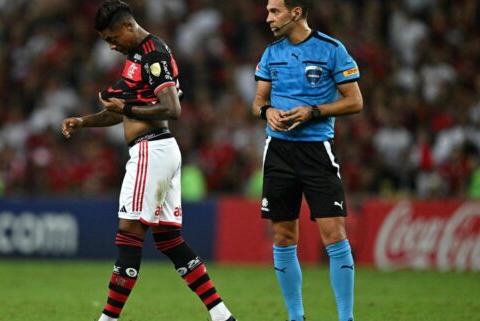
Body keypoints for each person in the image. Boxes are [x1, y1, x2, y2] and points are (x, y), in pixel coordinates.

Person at [61, 1, 236, 321]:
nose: (111, 45)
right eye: (105, 41)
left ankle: (108, 318)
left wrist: (125, 109)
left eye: (112, 37)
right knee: (169, 239)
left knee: (128, 234)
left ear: (128, 26)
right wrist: (84, 122)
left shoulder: (153, 53)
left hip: (150, 151)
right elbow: (120, 110)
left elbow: (172, 108)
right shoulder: (136, 57)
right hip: (161, 150)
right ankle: (222, 315)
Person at [252, 1, 363, 321]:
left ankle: (345, 317)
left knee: (334, 233)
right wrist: (266, 112)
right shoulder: (271, 52)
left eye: (275, 11)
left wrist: (313, 112)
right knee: (284, 236)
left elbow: (354, 102)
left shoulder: (332, 49)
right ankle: (296, 317)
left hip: (317, 151)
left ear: (296, 12)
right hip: (279, 152)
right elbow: (257, 101)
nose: (268, 17)